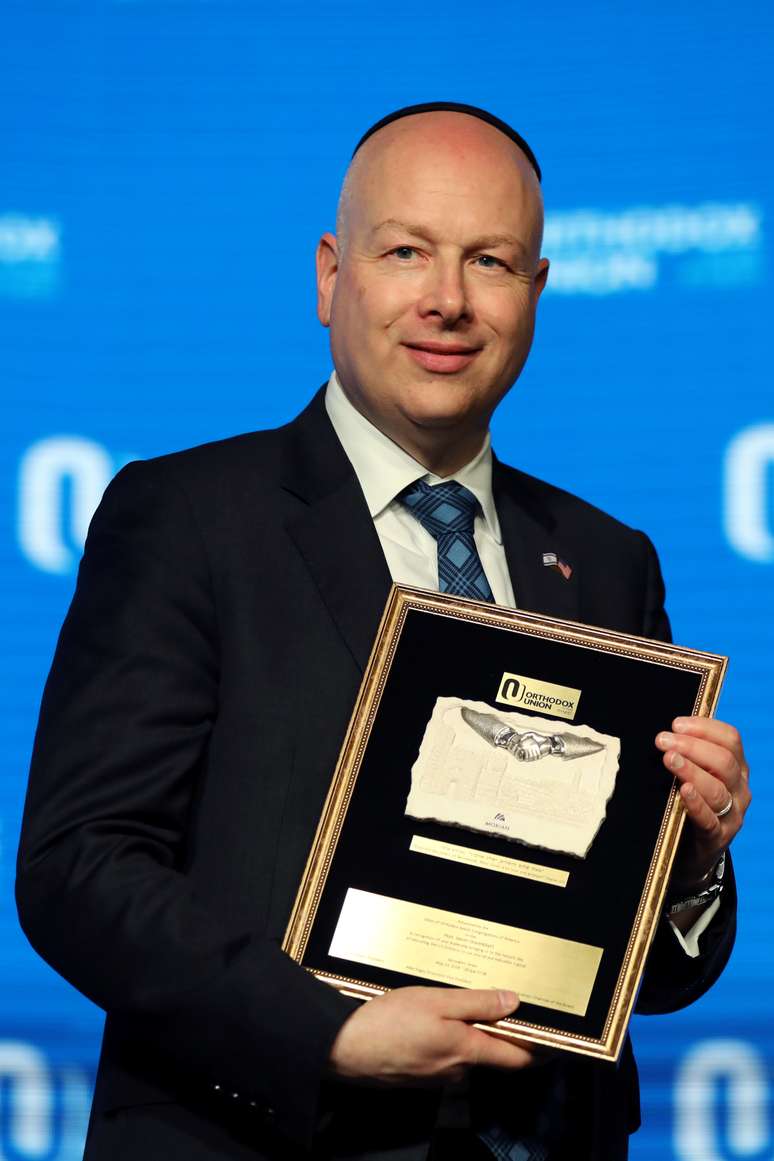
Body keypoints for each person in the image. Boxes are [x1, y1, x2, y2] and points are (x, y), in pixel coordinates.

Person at [17, 102, 751, 1161]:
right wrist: (333, 1033)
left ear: (536, 293)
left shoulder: (605, 559)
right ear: (331, 277)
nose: (446, 301)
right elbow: (78, 866)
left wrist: (686, 866)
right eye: (406, 251)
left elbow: (661, 974)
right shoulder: (187, 517)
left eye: (489, 261)